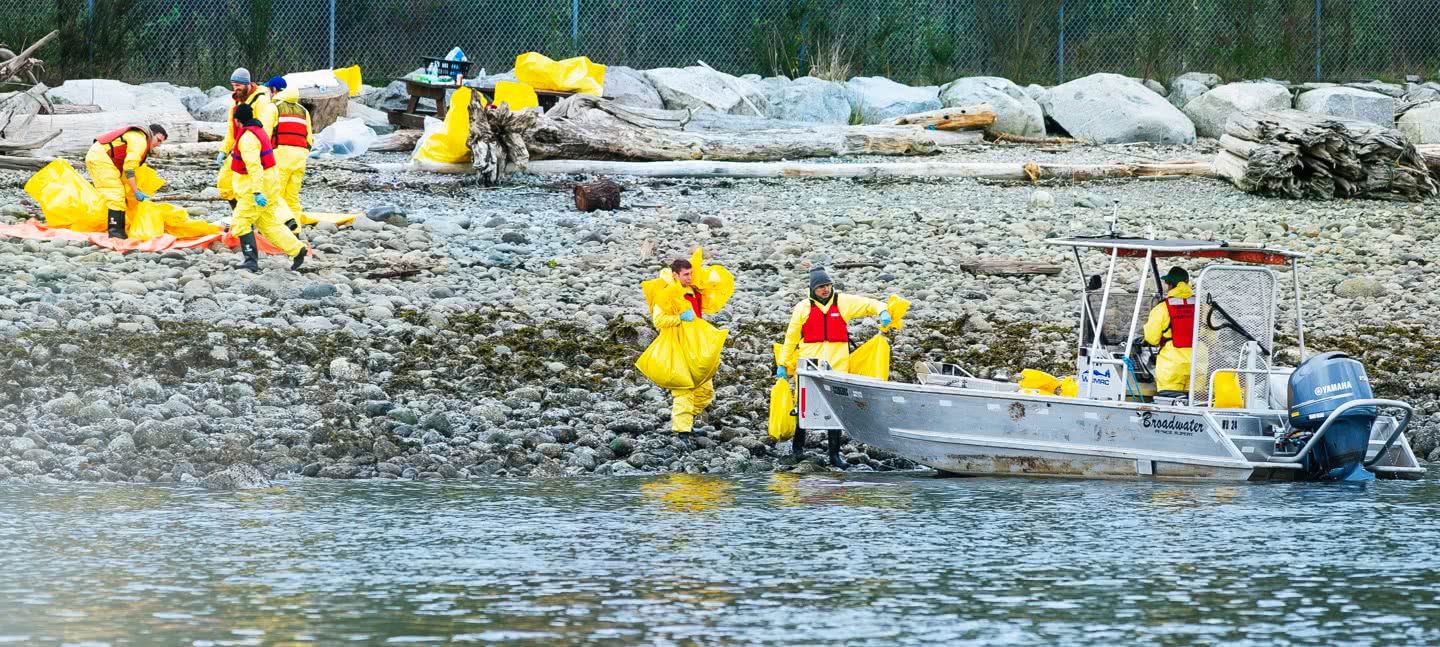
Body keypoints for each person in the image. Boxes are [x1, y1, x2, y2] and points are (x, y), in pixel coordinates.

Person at [777, 267, 890, 467]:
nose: (825, 290)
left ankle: (835, 456)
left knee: (836, 409)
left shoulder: (842, 302)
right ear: (812, 289)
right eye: (821, 287)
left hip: (837, 367)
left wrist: (882, 310)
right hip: (809, 365)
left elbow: (868, 304)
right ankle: (797, 450)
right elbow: (790, 338)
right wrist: (783, 365)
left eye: (828, 286)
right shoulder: (802, 308)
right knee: (804, 406)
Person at [229, 103, 308, 272]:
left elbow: (254, 167)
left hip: (255, 189)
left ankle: (250, 261)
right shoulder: (259, 131)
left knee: (241, 221)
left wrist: (257, 191)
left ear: (237, 121)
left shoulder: (247, 138)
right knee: (268, 223)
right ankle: (298, 249)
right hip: (271, 185)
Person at [651, 258, 715, 448]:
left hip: (697, 346)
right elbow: (659, 320)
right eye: (686, 274)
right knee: (684, 390)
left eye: (691, 273)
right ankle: (682, 432)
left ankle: (688, 422)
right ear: (675, 275)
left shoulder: (694, 292)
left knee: (705, 390)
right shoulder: (666, 295)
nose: (690, 277)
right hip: (677, 346)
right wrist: (679, 318)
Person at [84, 124, 167, 239]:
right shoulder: (140, 140)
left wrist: (133, 193)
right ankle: (115, 233)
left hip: (102, 158)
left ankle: (118, 228)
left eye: (161, 142)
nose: (158, 144)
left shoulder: (139, 137)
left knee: (121, 193)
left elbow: (126, 171)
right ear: (151, 134)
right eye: (158, 140)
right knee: (115, 194)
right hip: (100, 159)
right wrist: (136, 191)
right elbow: (129, 168)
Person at [216, 67, 277, 207]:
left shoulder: (261, 100)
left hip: (252, 148)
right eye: (233, 86)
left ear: (248, 84)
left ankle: (248, 215)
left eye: (238, 86)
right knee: (225, 184)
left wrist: (259, 150)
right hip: (239, 148)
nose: (235, 89)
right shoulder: (237, 101)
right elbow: (232, 129)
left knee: (250, 183)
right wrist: (223, 150)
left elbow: (265, 128)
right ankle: (238, 213)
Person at [264, 75, 311, 238]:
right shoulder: (303, 110)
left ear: (274, 90)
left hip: (280, 157)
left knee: (274, 194)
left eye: (269, 90)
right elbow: (309, 138)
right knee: (292, 197)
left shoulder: (273, 108)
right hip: (300, 159)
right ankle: (295, 232)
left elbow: (265, 135)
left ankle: (285, 224)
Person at [1143, 266, 1196, 396]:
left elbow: (1152, 338)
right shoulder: (1202, 307)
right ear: (1187, 282)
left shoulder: (1162, 308)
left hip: (1172, 365)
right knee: (1196, 402)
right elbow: (1212, 339)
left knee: (1170, 402)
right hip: (1198, 363)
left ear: (1170, 284)